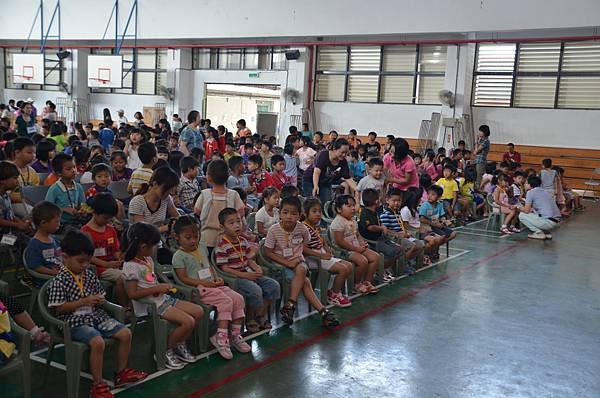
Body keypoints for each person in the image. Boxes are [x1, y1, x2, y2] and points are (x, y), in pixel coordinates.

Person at [47, 230, 148, 396]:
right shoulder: (59, 280)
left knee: (126, 333)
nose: (85, 265)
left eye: (87, 261)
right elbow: (59, 308)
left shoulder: (88, 274)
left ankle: (121, 373)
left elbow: (101, 293)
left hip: (95, 315)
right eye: (81, 261)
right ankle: (98, 384)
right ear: (65, 258)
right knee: (98, 342)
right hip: (73, 321)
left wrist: (100, 299)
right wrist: (83, 302)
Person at [122, 222, 203, 370]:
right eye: (153, 245)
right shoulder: (130, 266)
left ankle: (179, 343)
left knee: (198, 311)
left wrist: (162, 287)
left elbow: (150, 280)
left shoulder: (147, 259)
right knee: (188, 322)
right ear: (143, 247)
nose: (155, 249)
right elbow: (132, 294)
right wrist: (158, 288)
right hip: (151, 305)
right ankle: (165, 351)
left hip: (162, 299)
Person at [172, 216, 251, 360]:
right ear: (177, 237)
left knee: (238, 299)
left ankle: (234, 335)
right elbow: (183, 279)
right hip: (200, 290)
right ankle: (220, 339)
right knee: (226, 301)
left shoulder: (201, 247)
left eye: (196, 237)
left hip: (213, 286)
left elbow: (209, 265)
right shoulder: (179, 256)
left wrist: (216, 277)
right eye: (188, 238)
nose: (193, 241)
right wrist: (207, 284)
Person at [264, 196, 340, 328]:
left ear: (300, 215)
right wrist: (287, 263)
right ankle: (322, 311)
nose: (289, 216)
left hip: (298, 262)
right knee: (305, 280)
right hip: (280, 266)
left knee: (301, 269)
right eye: (285, 212)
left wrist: (296, 256)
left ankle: (290, 305)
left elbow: (305, 243)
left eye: (294, 213)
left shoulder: (302, 229)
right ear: (279, 213)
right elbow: (268, 252)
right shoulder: (273, 230)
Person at [215, 208, 279, 332]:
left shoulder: (243, 241)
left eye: (238, 221)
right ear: (222, 227)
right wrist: (244, 276)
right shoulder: (222, 245)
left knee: (273, 285)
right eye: (231, 223)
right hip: (236, 277)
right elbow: (224, 268)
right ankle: (250, 319)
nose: (237, 225)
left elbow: (249, 259)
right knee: (255, 290)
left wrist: (257, 268)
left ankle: (260, 315)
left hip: (248, 272)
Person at [302, 198, 352, 307]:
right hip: (312, 259)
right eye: (314, 211)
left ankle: (333, 291)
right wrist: (321, 255)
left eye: (319, 211)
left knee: (348, 265)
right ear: (306, 213)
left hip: (322, 255)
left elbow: (321, 240)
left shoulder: (316, 226)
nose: (318, 214)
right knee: (343, 269)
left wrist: (326, 248)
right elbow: (304, 249)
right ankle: (333, 296)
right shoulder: (304, 228)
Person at [82, 193, 128, 307]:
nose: (108, 221)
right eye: (105, 218)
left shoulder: (110, 229)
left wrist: (119, 257)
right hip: (98, 268)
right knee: (122, 278)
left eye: (110, 218)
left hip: (112, 264)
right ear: (95, 213)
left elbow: (116, 250)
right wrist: (106, 264)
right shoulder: (86, 232)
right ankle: (124, 307)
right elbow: (88, 257)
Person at [331, 195, 379, 295]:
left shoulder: (353, 220)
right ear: (339, 209)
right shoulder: (337, 222)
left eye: (353, 205)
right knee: (363, 261)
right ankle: (355, 284)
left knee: (375, 257)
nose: (353, 208)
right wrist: (356, 249)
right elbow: (340, 242)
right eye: (348, 206)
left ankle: (367, 282)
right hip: (343, 250)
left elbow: (357, 234)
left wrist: (362, 243)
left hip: (355, 247)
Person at [194, 160, 245, 253]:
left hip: (206, 240)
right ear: (228, 176)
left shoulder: (204, 194)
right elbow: (241, 214)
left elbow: (197, 212)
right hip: (229, 240)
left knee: (209, 264)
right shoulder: (233, 195)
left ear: (209, 177)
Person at [378, 188, 424, 272]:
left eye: (399, 201)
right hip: (393, 238)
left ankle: (405, 261)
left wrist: (405, 233)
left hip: (401, 236)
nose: (396, 203)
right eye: (394, 200)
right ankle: (402, 265)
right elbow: (385, 231)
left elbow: (401, 227)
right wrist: (398, 234)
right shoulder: (385, 214)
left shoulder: (398, 212)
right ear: (387, 200)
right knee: (412, 246)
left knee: (420, 245)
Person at [303, 138, 357, 204]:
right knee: (313, 203)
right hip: (310, 180)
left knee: (326, 203)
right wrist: (316, 185)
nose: (344, 155)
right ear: (334, 149)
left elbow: (348, 178)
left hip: (325, 182)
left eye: (346, 153)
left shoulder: (343, 162)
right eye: (342, 152)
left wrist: (358, 189)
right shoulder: (323, 154)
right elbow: (316, 172)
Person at [129, 167, 180, 234]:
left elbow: (178, 217)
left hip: (159, 239)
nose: (170, 192)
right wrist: (167, 227)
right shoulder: (137, 202)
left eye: (171, 189)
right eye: (167, 189)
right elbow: (141, 232)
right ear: (155, 184)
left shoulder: (166, 199)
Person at [24, 202, 62, 287]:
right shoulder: (35, 244)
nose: (59, 224)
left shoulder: (54, 239)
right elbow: (35, 267)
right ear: (43, 223)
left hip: (58, 275)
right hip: (46, 280)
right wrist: (53, 272)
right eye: (57, 221)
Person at [45, 153, 86, 228]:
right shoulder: (54, 189)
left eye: (74, 167)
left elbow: (83, 203)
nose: (73, 170)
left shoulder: (78, 187)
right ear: (59, 173)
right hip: (60, 224)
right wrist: (64, 209)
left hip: (77, 221)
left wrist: (82, 209)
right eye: (68, 169)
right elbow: (48, 208)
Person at [518, 175, 561, 240]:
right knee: (534, 212)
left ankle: (539, 233)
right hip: (557, 222)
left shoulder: (530, 192)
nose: (524, 184)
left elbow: (526, 210)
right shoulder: (544, 191)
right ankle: (546, 233)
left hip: (548, 222)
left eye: (526, 183)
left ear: (530, 185)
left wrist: (518, 207)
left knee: (522, 215)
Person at [419, 185, 457, 254]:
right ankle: (431, 251)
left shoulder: (439, 205)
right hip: (428, 227)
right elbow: (422, 219)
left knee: (453, 233)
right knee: (442, 236)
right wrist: (435, 224)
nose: (429, 196)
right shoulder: (425, 205)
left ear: (439, 197)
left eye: (433, 194)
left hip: (437, 226)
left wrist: (444, 221)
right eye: (428, 194)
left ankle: (435, 247)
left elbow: (442, 216)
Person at [11, 137, 40, 217]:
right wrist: (24, 200)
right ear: (17, 153)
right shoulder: (8, 170)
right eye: (29, 152)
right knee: (35, 214)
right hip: (14, 203)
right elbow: (5, 195)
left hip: (30, 202)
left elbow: (35, 191)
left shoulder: (32, 172)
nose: (33, 155)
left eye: (34, 153)